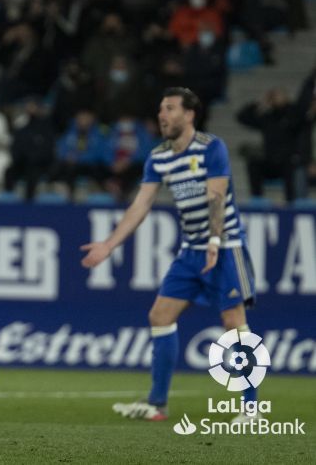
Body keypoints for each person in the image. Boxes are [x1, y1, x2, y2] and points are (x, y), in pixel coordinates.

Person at [81, 87, 258, 423]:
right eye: (161, 109)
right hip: (191, 250)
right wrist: (109, 244)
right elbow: (141, 204)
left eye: (171, 108)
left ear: (189, 115)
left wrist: (215, 242)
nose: (162, 115)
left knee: (232, 322)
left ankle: (251, 409)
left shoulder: (211, 147)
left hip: (226, 245)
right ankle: (157, 405)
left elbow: (216, 198)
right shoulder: (159, 156)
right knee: (160, 316)